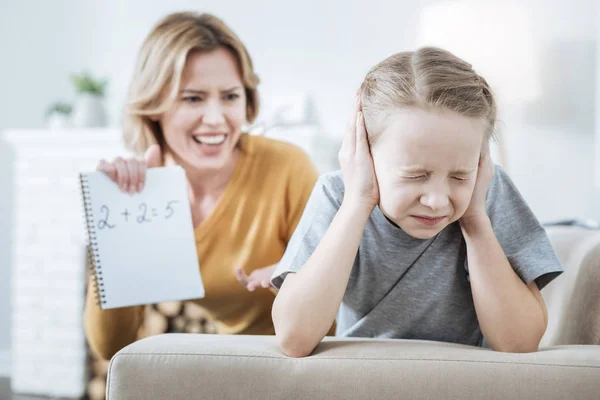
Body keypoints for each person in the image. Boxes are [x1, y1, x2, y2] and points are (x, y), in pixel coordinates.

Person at [271, 47, 564, 357]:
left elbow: (520, 342)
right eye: (414, 176)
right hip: (360, 375)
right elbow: (294, 338)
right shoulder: (337, 195)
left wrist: (476, 220)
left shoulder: (488, 192)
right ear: (365, 155)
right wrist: (358, 202)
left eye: (460, 176)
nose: (437, 201)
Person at [84, 11, 319, 360]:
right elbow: (111, 347)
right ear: (153, 107)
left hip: (317, 360)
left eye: (230, 96)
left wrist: (288, 278)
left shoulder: (287, 168)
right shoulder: (144, 195)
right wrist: (118, 228)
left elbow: (336, 302)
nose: (215, 118)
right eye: (192, 98)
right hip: (233, 367)